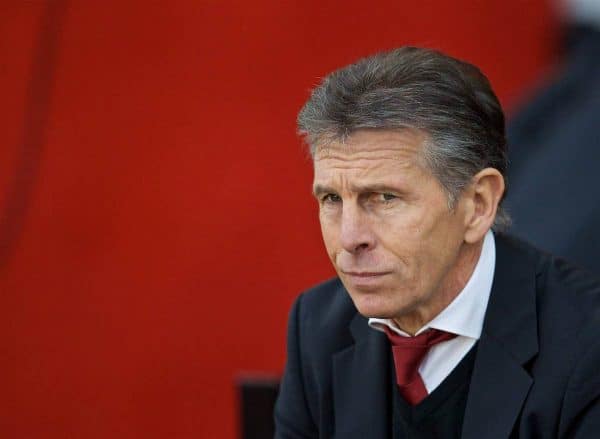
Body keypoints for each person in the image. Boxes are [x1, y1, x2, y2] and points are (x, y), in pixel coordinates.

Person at [274, 47, 600, 438]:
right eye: (331, 199)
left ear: (478, 204)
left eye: (384, 198)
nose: (349, 238)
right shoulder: (319, 324)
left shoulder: (587, 342)